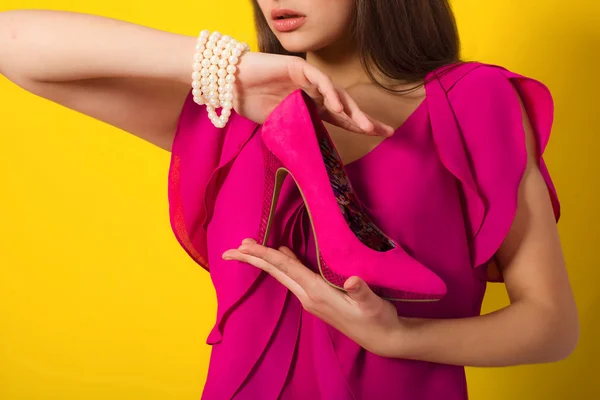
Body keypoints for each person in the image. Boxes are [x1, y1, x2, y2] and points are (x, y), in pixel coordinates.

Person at [0, 1, 579, 399]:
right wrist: (233, 69)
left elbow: (551, 324)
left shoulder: (473, 102)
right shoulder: (228, 112)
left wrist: (399, 336)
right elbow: (12, 43)